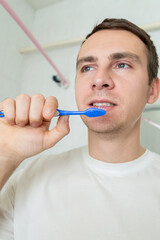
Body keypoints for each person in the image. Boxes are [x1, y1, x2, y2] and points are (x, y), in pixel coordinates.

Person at [0, 18, 160, 240]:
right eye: (87, 67)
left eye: (122, 64)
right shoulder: (28, 177)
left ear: (152, 90)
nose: (99, 79)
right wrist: (5, 155)